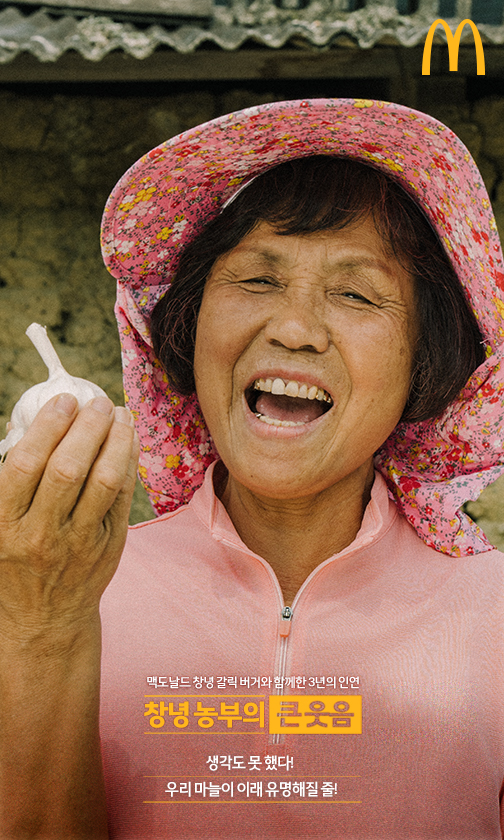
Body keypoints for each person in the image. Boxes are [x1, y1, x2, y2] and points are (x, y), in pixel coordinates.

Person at [1, 98, 504, 838]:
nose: (294, 329)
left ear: (423, 363)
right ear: (189, 325)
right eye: (256, 281)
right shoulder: (56, 588)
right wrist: (44, 626)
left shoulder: (493, 613)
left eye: (356, 293)